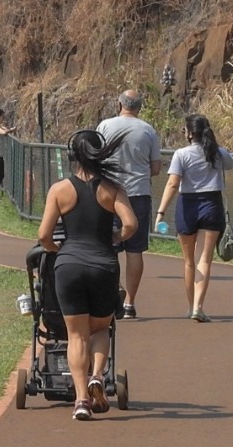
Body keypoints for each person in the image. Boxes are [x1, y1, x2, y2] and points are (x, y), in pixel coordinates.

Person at [37, 129, 137, 421]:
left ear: (73, 157)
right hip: (103, 265)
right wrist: (116, 237)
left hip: (68, 266)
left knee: (76, 336)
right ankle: (97, 376)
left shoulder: (59, 189)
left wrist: (57, 248)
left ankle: (81, 400)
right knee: (100, 330)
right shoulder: (112, 188)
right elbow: (130, 224)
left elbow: (43, 234)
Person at [153, 114, 233, 322]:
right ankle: (199, 306)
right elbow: (230, 163)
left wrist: (160, 212)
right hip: (211, 205)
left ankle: (191, 307)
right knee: (205, 259)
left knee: (189, 261)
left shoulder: (181, 154)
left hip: (188, 205)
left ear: (189, 133)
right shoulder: (217, 152)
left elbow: (172, 184)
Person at [97, 89, 162, 319]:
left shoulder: (105, 126)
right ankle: (130, 303)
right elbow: (155, 168)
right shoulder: (148, 130)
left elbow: (96, 158)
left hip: (108, 194)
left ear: (119, 104)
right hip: (138, 194)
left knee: (109, 248)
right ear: (139, 107)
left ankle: (112, 295)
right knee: (135, 250)